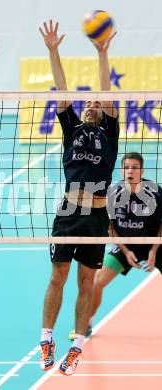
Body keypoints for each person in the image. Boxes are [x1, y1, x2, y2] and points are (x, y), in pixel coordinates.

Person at [38, 20, 118, 376]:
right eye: (87, 102)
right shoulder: (72, 127)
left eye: (96, 102)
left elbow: (108, 92)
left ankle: (76, 346)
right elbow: (63, 89)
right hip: (69, 212)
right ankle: (46, 339)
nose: (91, 104)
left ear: (102, 109)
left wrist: (103, 53)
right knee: (58, 277)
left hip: (97, 217)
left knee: (86, 281)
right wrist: (53, 50)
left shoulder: (109, 132)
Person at [69, 152, 162, 340]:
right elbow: (110, 227)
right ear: (122, 170)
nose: (130, 171)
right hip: (126, 245)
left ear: (142, 170)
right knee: (97, 282)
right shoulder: (113, 192)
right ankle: (86, 322)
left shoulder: (156, 192)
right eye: (127, 167)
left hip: (155, 243)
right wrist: (126, 252)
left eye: (134, 167)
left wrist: (153, 250)